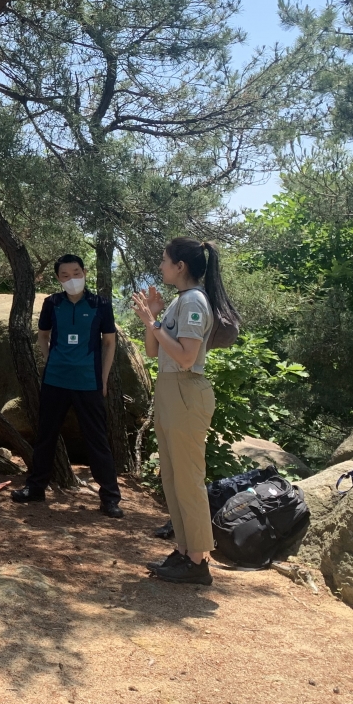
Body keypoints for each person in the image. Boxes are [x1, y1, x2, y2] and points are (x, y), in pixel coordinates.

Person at [131, 237, 238, 586]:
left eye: (165, 261)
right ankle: (185, 551)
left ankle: (198, 561)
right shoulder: (181, 300)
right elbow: (153, 351)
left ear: (180, 266)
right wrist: (153, 319)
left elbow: (187, 357)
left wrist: (154, 322)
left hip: (186, 390)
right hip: (170, 389)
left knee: (188, 479)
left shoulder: (194, 301)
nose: (160, 266)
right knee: (173, 477)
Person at [11, 254, 123, 518]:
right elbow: (43, 336)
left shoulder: (100, 304)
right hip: (55, 380)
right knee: (45, 436)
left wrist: (103, 378)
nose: (72, 279)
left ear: (84, 272)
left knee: (97, 440)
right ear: (58, 278)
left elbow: (109, 342)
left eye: (76, 273)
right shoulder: (52, 303)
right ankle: (35, 488)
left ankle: (110, 498)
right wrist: (51, 360)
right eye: (65, 275)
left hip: (88, 382)